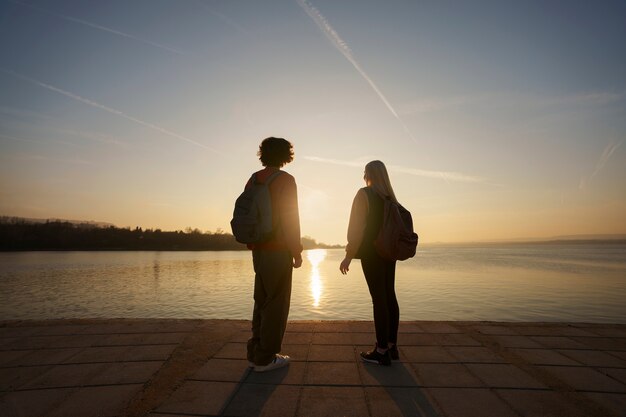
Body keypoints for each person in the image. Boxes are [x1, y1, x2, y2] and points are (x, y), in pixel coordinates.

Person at [245, 137, 303, 372]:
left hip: (259, 250)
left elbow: (247, 213)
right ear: (285, 155)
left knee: (261, 300)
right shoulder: (286, 180)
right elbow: (291, 219)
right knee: (276, 304)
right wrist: (296, 251)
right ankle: (266, 358)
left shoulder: (253, 179)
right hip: (278, 251)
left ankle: (255, 352)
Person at [340, 160, 400, 366]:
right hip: (389, 252)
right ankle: (392, 346)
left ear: (368, 174)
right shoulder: (390, 197)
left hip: (372, 253)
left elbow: (356, 228)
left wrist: (349, 254)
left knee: (379, 299)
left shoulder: (364, 194)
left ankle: (381, 351)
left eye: (364, 172)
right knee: (390, 296)